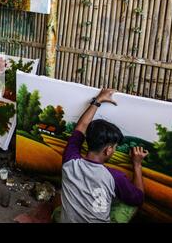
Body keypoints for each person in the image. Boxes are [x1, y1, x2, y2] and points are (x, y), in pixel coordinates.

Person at [58, 88, 148, 223]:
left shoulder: (70, 161)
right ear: (108, 150)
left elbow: (81, 127)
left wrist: (98, 100)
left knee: (59, 208)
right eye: (115, 148)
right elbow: (139, 198)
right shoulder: (115, 177)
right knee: (129, 203)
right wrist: (137, 164)